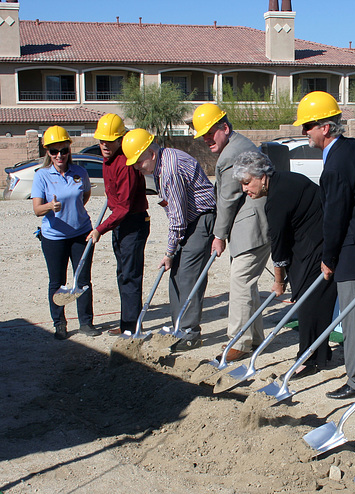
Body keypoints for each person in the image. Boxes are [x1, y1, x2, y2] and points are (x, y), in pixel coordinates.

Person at [294, 91, 355, 399]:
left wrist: (329, 256)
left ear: (325, 127)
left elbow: (334, 215)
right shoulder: (354, 149)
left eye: (308, 125)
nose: (304, 132)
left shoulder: (337, 162)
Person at [232, 151, 338, 377]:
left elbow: (278, 244)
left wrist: (278, 281)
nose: (245, 189)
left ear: (261, 176)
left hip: (315, 247)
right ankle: (320, 353)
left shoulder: (277, 199)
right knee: (311, 302)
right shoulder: (285, 180)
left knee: (310, 304)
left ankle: (307, 359)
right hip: (310, 245)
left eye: (247, 182)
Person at [122, 128, 217, 351]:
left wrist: (169, 252)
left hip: (202, 219)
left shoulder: (169, 170)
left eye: (139, 162)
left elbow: (177, 218)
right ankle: (178, 327)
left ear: (151, 154)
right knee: (176, 275)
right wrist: (172, 253)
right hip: (190, 221)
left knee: (188, 277)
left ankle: (190, 333)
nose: (137, 167)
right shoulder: (160, 164)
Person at [192, 103, 270, 362]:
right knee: (247, 283)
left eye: (210, 133)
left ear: (224, 127)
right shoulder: (237, 146)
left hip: (251, 227)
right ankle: (255, 337)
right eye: (202, 135)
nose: (206, 139)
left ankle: (238, 341)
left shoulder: (231, 155)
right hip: (251, 226)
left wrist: (219, 235)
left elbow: (227, 198)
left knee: (240, 281)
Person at [32, 125, 100, 339]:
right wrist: (49, 208)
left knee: (83, 280)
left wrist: (74, 211)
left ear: (69, 150)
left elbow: (84, 196)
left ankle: (86, 323)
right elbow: (36, 209)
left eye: (63, 150)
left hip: (81, 233)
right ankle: (59, 323)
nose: (59, 155)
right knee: (57, 281)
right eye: (54, 151)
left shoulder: (80, 172)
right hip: (54, 238)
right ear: (48, 153)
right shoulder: (41, 176)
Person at [86, 114, 150, 336]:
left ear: (120, 139)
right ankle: (127, 324)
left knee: (131, 276)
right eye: (101, 140)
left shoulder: (124, 164)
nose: (104, 144)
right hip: (120, 223)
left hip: (133, 222)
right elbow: (113, 197)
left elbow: (123, 208)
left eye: (109, 140)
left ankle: (132, 329)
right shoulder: (107, 159)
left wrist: (99, 229)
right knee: (122, 273)